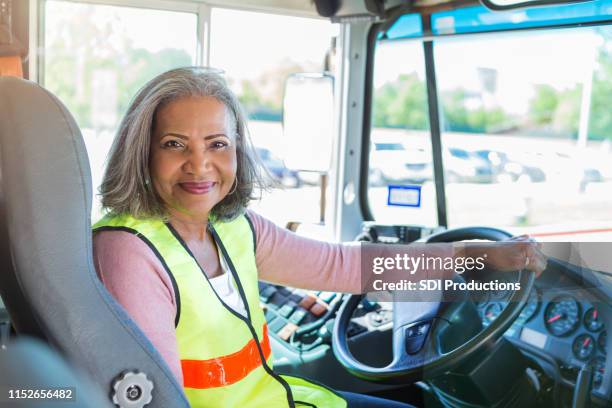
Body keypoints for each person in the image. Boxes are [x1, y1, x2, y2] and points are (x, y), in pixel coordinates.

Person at [92, 67, 547, 408]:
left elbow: (346, 266)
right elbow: (155, 399)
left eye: (217, 144)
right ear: (142, 153)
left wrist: (475, 256)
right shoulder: (129, 249)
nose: (200, 164)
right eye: (175, 144)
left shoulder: (234, 227)